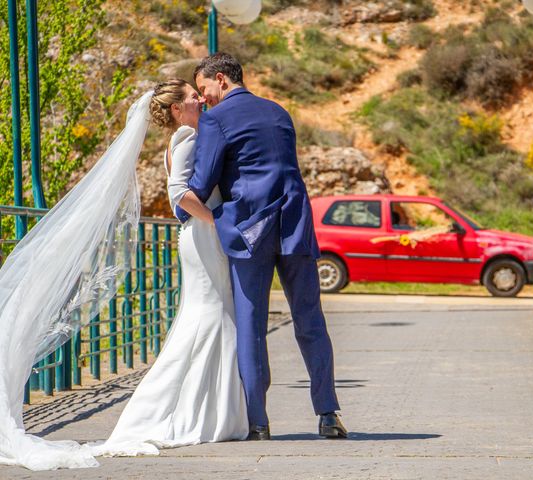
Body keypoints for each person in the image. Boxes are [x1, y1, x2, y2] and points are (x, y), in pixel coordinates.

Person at [175, 52, 347, 440]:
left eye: (204, 90)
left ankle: (259, 422)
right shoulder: (278, 111)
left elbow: (201, 184)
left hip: (249, 233)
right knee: (311, 321)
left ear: (221, 79)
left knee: (251, 327)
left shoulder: (216, 120)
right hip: (295, 225)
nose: (203, 99)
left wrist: (181, 208)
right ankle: (328, 414)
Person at [91, 79, 249, 457]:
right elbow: (179, 192)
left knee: (210, 316)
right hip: (202, 235)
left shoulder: (186, 136)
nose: (201, 99)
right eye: (194, 97)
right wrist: (215, 221)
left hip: (197, 236)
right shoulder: (188, 139)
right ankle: (190, 414)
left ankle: (211, 413)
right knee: (212, 315)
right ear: (178, 108)